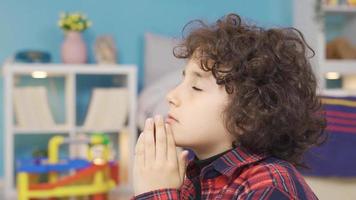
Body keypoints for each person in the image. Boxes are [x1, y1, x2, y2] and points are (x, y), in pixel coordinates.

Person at [131, 13, 326, 200]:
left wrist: (155, 193)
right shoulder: (188, 178)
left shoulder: (270, 185)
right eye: (182, 81)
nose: (171, 96)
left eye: (196, 88)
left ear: (249, 115)